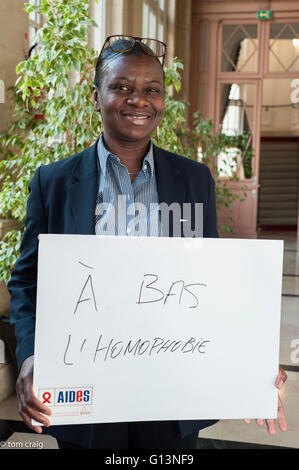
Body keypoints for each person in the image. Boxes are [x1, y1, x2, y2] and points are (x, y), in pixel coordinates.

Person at [8, 35, 287, 449]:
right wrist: (30, 357)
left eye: (151, 90)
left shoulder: (193, 180)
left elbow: (211, 282)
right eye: (122, 87)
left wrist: (252, 360)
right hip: (85, 388)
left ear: (162, 100)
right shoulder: (53, 183)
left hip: (172, 389)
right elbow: (26, 282)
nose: (138, 100)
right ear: (96, 96)